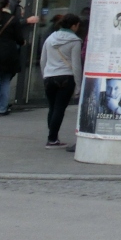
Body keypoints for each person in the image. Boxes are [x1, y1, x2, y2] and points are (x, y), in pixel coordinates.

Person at [40, 14, 82, 149]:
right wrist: (78, 85)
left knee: (52, 108)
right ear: (74, 26)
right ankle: (52, 139)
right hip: (66, 77)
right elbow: (76, 65)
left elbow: (43, 60)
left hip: (49, 76)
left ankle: (52, 138)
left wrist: (45, 75)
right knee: (59, 108)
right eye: (77, 25)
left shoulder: (50, 38)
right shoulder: (75, 41)